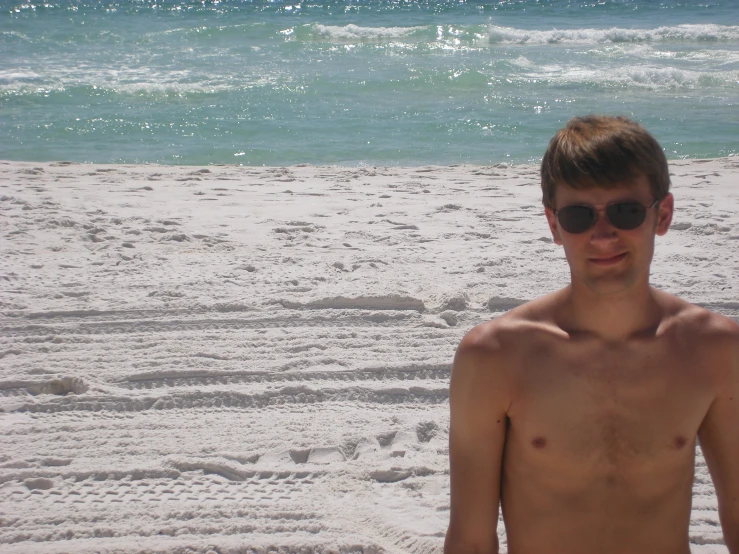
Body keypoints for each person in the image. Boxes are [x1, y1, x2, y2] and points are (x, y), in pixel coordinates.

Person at [444, 115, 739, 554]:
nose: (603, 235)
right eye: (579, 216)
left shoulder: (714, 349)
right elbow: (471, 539)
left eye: (625, 211)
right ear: (553, 225)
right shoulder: (495, 356)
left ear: (663, 214)